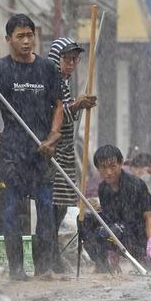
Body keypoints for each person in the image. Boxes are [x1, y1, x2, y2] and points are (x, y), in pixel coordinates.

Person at [0, 14, 64, 280]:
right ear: (8, 39)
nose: (26, 41)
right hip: (13, 153)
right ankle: (17, 270)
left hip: (41, 152)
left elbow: (59, 106)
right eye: (20, 36)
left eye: (30, 35)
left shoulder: (47, 69)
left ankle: (44, 269)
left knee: (45, 210)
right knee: (12, 212)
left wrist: (53, 137)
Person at [47, 37, 97, 274]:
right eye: (66, 59)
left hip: (67, 152)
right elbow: (59, 111)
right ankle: (49, 254)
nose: (71, 64)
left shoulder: (65, 83)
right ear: (57, 59)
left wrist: (79, 104)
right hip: (54, 152)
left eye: (75, 60)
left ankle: (52, 253)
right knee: (54, 206)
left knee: (63, 205)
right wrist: (78, 104)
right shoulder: (51, 82)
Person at [79, 145, 151, 273]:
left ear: (121, 163)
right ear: (98, 168)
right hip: (118, 229)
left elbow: (149, 216)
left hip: (140, 233)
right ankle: (102, 265)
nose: (109, 172)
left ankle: (144, 258)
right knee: (84, 220)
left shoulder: (135, 184)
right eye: (103, 167)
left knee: (115, 230)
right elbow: (108, 219)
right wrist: (112, 253)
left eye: (112, 166)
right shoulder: (103, 188)